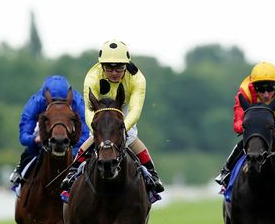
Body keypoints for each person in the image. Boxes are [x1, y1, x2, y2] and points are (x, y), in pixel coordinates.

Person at [60, 39, 165, 193]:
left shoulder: (138, 79)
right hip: (100, 108)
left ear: (126, 65)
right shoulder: (92, 77)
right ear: (102, 66)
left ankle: (153, 176)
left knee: (130, 136)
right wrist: (95, 129)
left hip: (123, 107)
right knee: (95, 136)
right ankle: (72, 173)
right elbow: (89, 110)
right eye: (109, 68)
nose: (114, 72)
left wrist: (123, 127)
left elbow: (135, 110)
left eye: (119, 68)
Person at [214, 61, 275, 193]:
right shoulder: (245, 90)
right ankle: (226, 172)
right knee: (246, 143)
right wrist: (249, 128)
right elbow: (237, 122)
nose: (266, 94)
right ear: (253, 87)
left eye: (270, 89)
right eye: (261, 89)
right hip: (256, 121)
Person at [9, 75, 89, 186]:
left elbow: (86, 135)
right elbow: (23, 137)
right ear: (46, 101)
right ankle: (20, 174)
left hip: (69, 135)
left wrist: (73, 145)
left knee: (82, 152)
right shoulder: (36, 103)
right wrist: (35, 139)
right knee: (32, 148)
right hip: (44, 131)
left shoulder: (77, 103)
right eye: (54, 102)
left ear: (69, 100)